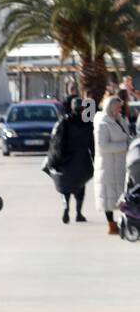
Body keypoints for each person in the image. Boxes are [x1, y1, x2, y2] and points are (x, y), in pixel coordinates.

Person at [47, 98, 94, 223]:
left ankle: (66, 206)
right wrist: (94, 158)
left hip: (66, 159)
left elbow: (56, 141)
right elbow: (91, 143)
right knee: (80, 185)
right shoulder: (87, 123)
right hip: (82, 159)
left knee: (65, 186)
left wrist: (56, 158)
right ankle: (78, 213)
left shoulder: (64, 121)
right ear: (83, 109)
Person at [93, 95, 132, 235]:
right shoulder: (102, 124)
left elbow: (126, 136)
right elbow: (101, 146)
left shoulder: (120, 120)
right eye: (117, 107)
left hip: (121, 163)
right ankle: (111, 224)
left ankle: (124, 221)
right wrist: (124, 146)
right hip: (107, 165)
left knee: (122, 195)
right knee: (107, 195)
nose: (120, 109)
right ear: (110, 107)